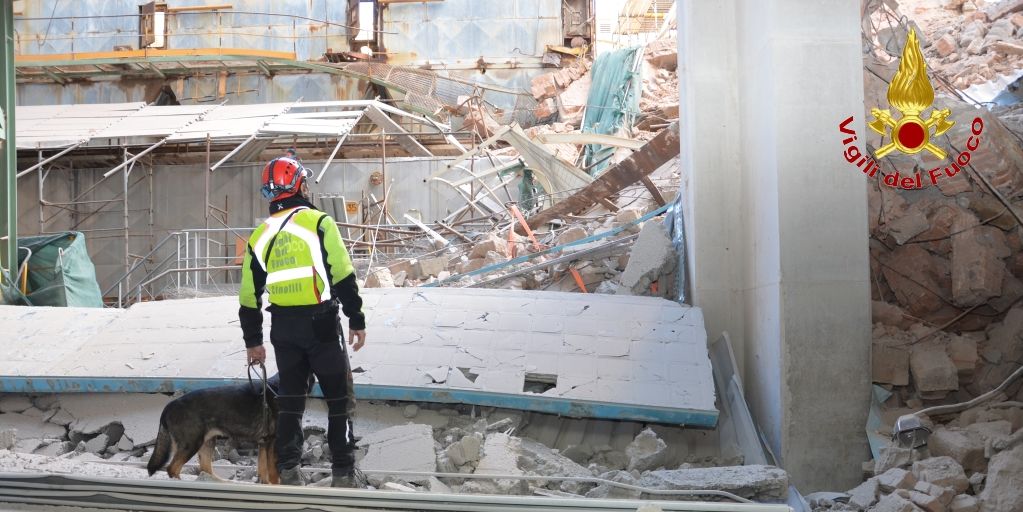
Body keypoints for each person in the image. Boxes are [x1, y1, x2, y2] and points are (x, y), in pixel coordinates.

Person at [238, 156, 367, 488]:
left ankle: (290, 473)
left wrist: (253, 342)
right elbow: (342, 274)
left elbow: (249, 298)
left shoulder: (259, 235)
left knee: (291, 403)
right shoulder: (319, 222)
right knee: (339, 400)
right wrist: (356, 317)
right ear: (299, 185)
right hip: (321, 324)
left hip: (282, 329)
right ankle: (342, 475)